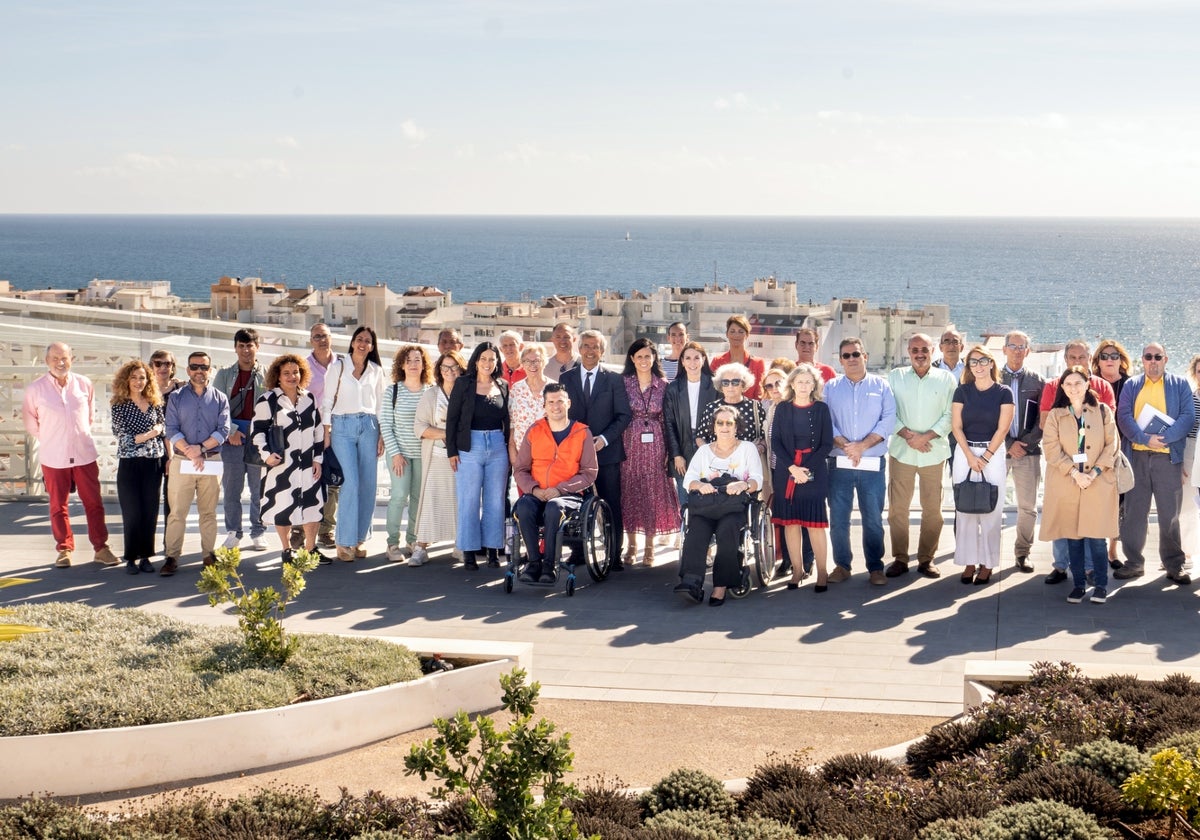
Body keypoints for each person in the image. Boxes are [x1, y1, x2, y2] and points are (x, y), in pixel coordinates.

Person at [22, 342, 119, 569]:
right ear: (47, 361)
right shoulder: (35, 389)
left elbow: (89, 417)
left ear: (72, 359)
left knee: (94, 503)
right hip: (54, 457)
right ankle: (64, 549)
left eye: (64, 358)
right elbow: (31, 423)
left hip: (84, 454)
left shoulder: (84, 384)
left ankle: (101, 548)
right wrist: (52, 439)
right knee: (58, 505)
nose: (60, 362)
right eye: (55, 358)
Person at [1114, 343, 1196, 585]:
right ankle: (1133, 564)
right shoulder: (1131, 385)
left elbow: (1188, 416)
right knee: (1133, 514)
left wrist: (1166, 438)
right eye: (1148, 357)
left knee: (1169, 514)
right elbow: (1123, 415)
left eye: (1157, 357)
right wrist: (1144, 438)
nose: (1153, 361)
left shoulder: (1180, 385)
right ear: (1143, 360)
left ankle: (1174, 565)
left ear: (1165, 359)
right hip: (1137, 457)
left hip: (1168, 459)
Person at [1038, 340, 1117, 585]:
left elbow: (1110, 439)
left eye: (1081, 357)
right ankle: (1062, 567)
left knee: (1092, 523)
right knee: (1064, 521)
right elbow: (1048, 438)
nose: (1076, 362)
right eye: (1072, 358)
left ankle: (1092, 571)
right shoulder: (1053, 394)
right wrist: (1074, 471)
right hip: (1065, 474)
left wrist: (1092, 472)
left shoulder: (1102, 398)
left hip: (1095, 475)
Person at [674, 404, 763, 606]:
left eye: (729, 423)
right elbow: (689, 480)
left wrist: (744, 484)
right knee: (696, 532)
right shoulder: (704, 451)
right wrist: (700, 485)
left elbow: (757, 478)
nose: (724, 427)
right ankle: (691, 582)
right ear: (713, 428)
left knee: (727, 531)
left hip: (733, 506)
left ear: (736, 427)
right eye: (720, 423)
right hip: (707, 505)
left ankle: (720, 586)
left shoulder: (747, 449)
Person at [824, 338, 896, 586]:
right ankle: (842, 566)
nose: (852, 359)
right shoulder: (830, 387)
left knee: (873, 519)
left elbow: (888, 420)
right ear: (840, 359)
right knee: (838, 519)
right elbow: (827, 422)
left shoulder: (882, 386)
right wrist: (847, 446)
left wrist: (862, 446)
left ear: (864, 356)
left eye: (856, 354)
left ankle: (875, 568)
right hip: (839, 464)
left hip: (872, 465)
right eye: (846, 355)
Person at [885, 334, 957, 579]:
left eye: (924, 349)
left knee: (933, 510)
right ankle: (900, 559)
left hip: (933, 453)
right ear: (908, 351)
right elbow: (887, 411)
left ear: (933, 350)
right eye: (915, 349)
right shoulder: (895, 377)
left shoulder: (946, 379)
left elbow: (950, 415)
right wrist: (908, 435)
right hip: (902, 452)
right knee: (897, 510)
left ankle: (927, 559)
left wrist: (925, 437)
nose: (920, 353)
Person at [513, 383, 599, 584]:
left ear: (568, 403)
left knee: (554, 507)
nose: (555, 406)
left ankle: (549, 565)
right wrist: (534, 489)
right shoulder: (534, 430)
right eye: (550, 402)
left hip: (568, 496)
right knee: (523, 506)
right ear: (544, 405)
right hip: (537, 492)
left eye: (560, 401)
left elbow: (589, 473)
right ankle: (534, 563)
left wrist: (559, 489)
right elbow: (520, 469)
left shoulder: (582, 432)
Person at [561, 330, 632, 567]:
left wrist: (604, 439)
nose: (590, 351)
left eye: (595, 347)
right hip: (574, 455)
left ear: (602, 351)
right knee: (575, 503)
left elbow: (624, 416)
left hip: (607, 453)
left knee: (611, 504)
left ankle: (614, 555)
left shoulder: (613, 380)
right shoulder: (566, 378)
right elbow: (560, 415)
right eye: (586, 346)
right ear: (578, 348)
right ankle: (578, 552)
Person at [252, 354, 327, 565]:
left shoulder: (309, 398)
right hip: (281, 466)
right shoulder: (268, 400)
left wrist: (318, 459)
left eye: (295, 372)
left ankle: (310, 549)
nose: (292, 376)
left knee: (313, 506)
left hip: (308, 464)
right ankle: (286, 550)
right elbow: (257, 431)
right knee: (282, 508)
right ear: (278, 376)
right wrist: (267, 455)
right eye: (287, 373)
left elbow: (318, 431)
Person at [950, 345, 1014, 585]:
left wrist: (985, 457)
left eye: (982, 361)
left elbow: (1003, 428)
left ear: (991, 363)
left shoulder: (1003, 392)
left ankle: (987, 564)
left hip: (993, 453)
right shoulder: (962, 391)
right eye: (973, 362)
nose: (978, 366)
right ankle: (968, 563)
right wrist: (968, 455)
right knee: (964, 508)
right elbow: (956, 426)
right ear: (969, 367)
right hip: (964, 452)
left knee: (991, 510)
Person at [163, 351, 231, 575]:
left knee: (208, 512)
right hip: (182, 461)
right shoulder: (176, 397)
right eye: (194, 367)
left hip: (211, 461)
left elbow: (224, 430)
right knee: (177, 512)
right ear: (187, 369)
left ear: (210, 370)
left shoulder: (220, 398)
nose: (199, 371)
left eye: (203, 367)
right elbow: (171, 429)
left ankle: (208, 555)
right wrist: (190, 452)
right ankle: (172, 556)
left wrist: (200, 449)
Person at [322, 326, 385, 563]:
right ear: (352, 342)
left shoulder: (377, 370)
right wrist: (326, 432)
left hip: (369, 426)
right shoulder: (338, 366)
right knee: (350, 482)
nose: (362, 344)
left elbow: (380, 407)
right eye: (359, 339)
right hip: (342, 426)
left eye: (367, 341)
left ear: (372, 346)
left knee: (368, 484)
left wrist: (381, 435)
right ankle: (343, 541)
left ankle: (359, 539)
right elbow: (327, 401)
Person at [446, 341, 511, 570]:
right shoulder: (463, 384)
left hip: (497, 446)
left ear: (497, 363)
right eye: (483, 358)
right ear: (475, 360)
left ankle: (493, 551)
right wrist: (452, 451)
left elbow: (507, 421)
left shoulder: (502, 385)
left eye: (492, 359)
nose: (487, 363)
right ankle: (470, 552)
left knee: (495, 501)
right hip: (469, 447)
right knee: (469, 501)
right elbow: (452, 419)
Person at [771, 365, 833, 591]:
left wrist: (805, 469)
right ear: (792, 384)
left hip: (814, 472)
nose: (804, 386)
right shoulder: (782, 409)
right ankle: (797, 570)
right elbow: (775, 441)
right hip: (786, 473)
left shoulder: (822, 409)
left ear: (815, 385)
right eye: (800, 381)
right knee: (791, 523)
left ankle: (823, 571)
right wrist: (792, 469)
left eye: (809, 382)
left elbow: (827, 444)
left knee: (815, 524)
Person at [620, 338, 681, 566]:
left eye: (648, 356)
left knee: (652, 495)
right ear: (632, 359)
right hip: (629, 443)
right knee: (630, 492)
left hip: (656, 444)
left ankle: (649, 546)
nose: (644, 360)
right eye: (639, 356)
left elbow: (668, 420)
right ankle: (631, 544)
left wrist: (669, 450)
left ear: (654, 358)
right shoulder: (624, 383)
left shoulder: (664, 385)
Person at [213, 328, 268, 552]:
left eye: (250, 345)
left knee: (259, 490)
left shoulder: (267, 374)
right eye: (241, 346)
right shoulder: (224, 374)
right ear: (235, 348)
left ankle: (258, 531)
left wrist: (260, 435)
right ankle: (234, 532)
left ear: (257, 346)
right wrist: (231, 431)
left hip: (258, 439)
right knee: (232, 489)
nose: (246, 350)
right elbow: (217, 406)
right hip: (232, 439)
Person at [411, 351, 467, 567]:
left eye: (454, 367)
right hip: (436, 456)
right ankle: (421, 547)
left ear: (461, 369)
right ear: (439, 370)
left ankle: (461, 545)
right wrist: (448, 433)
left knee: (460, 501)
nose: (450, 371)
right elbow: (420, 427)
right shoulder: (431, 395)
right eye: (445, 367)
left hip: (462, 458)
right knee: (431, 501)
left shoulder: (467, 393)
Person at [110, 360, 166, 575]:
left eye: (142, 377)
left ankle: (146, 557)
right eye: (133, 377)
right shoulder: (119, 405)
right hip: (130, 464)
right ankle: (131, 558)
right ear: (126, 380)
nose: (138, 381)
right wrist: (151, 433)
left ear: (148, 380)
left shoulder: (155, 402)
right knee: (132, 512)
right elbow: (124, 439)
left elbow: (164, 428)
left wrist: (150, 435)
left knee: (149, 512)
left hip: (153, 463)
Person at [1000, 330, 1045, 573]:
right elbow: (986, 416)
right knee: (990, 504)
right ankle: (987, 555)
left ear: (1028, 351)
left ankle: (1022, 553)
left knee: (1027, 507)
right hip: (997, 452)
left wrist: (1024, 443)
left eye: (1022, 347)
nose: (1017, 351)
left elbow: (1043, 419)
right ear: (1004, 349)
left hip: (1029, 453)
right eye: (1013, 346)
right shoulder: (992, 378)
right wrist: (1008, 443)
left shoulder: (1038, 381)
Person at [381, 345, 431, 563]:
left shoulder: (430, 391)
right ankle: (392, 543)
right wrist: (395, 453)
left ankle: (413, 540)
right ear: (402, 364)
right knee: (400, 496)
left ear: (423, 364)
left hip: (423, 454)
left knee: (418, 499)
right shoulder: (393, 391)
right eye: (409, 360)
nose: (413, 364)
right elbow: (386, 424)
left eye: (417, 360)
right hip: (398, 453)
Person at [664, 341, 718, 523]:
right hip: (683, 447)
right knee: (685, 497)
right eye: (688, 358)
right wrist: (676, 454)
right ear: (682, 361)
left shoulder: (715, 386)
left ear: (703, 359)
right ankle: (688, 537)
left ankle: (708, 541)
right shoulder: (673, 388)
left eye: (697, 357)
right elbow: (669, 423)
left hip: (709, 446)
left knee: (709, 494)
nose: (692, 362)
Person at [1092, 338, 1133, 567]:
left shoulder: (1131, 385)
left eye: (1114, 356)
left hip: (1123, 450)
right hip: (1095, 451)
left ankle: (1112, 551)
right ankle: (1095, 550)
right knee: (1097, 501)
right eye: (1104, 356)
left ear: (1121, 360)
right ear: (1097, 361)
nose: (1109, 360)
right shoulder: (1090, 385)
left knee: (1120, 502)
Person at [304, 323, 339, 550]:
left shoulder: (342, 364)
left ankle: (327, 530)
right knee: (307, 479)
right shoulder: (303, 367)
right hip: (310, 429)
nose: (321, 340)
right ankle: (301, 528)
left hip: (338, 427)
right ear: (311, 340)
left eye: (324, 336)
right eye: (317, 336)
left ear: (331, 338)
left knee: (333, 481)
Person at [149, 349, 185, 552]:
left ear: (173, 367)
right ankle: (147, 545)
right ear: (152, 365)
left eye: (167, 364)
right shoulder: (144, 388)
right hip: (152, 450)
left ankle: (170, 544)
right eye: (158, 363)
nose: (163, 367)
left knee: (174, 500)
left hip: (177, 449)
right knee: (151, 499)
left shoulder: (181, 388)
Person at [697, 363, 766, 451]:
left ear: (743, 384)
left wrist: (758, 449)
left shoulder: (755, 407)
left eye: (735, 382)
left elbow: (765, 436)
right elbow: (700, 437)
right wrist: (709, 452)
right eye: (725, 382)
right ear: (721, 386)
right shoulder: (711, 408)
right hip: (718, 461)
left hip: (747, 460)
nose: (730, 386)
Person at [508, 343, 550, 462]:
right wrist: (512, 449)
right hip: (521, 452)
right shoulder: (516, 389)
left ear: (544, 362)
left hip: (548, 454)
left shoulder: (554, 388)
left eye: (537, 360)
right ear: (522, 364)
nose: (532, 365)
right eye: (527, 361)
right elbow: (512, 423)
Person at [710, 315, 766, 399]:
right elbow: (711, 391)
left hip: (748, 410)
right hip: (723, 410)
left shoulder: (758, 363)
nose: (736, 335)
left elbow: (759, 395)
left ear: (747, 335)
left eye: (741, 331)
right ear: (727, 334)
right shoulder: (717, 361)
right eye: (732, 331)